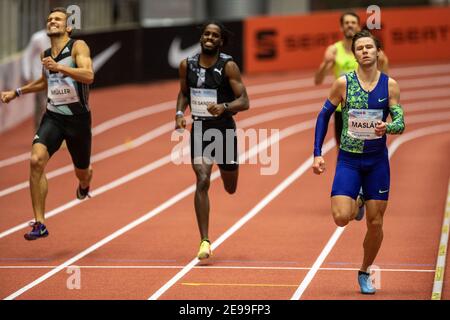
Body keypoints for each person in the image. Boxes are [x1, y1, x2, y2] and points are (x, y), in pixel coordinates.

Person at [312, 30, 405, 294]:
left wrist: (387, 127)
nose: (364, 51)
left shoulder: (390, 86)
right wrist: (317, 153)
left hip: (376, 162)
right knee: (342, 217)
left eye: (369, 47)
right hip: (349, 161)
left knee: (375, 223)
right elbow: (323, 116)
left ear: (378, 52)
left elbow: (400, 122)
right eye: (359, 48)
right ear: (354, 55)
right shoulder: (343, 83)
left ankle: (364, 271)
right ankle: (358, 201)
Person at [1, 7, 94, 240]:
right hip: (53, 116)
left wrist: (61, 67)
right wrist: (17, 91)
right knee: (35, 160)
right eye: (50, 19)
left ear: (68, 27)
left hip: (78, 120)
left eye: (58, 19)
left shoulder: (78, 46)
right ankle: (40, 223)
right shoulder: (45, 53)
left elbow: (89, 75)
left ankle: (84, 184)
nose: (52, 21)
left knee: (82, 171)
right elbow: (45, 81)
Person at [174, 22, 249, 260]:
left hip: (224, 130)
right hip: (200, 129)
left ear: (221, 42)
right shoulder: (187, 65)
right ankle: (204, 241)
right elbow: (184, 92)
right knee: (203, 179)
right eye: (206, 34)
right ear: (201, 38)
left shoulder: (228, 66)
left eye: (215, 35)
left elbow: (245, 101)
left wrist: (224, 107)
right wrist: (178, 113)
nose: (209, 37)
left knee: (230, 187)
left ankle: (229, 170)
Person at [314, 12, 390, 221]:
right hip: (343, 112)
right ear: (341, 27)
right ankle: (353, 194)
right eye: (346, 23)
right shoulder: (333, 50)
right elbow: (318, 80)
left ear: (358, 26)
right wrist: (325, 65)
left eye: (353, 23)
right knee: (345, 153)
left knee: (370, 151)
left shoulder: (369, 51)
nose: (349, 26)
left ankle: (363, 192)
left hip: (370, 112)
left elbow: (385, 78)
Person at [22, 29, 51, 131]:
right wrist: (26, 74)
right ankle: (38, 134)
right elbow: (27, 55)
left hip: (56, 77)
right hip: (39, 76)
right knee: (41, 105)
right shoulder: (37, 38)